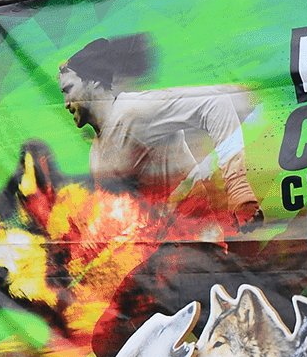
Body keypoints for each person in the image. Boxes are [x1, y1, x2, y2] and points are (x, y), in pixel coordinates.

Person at [57, 33, 261, 230]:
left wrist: (238, 188)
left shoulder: (134, 111)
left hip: (198, 240)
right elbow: (113, 213)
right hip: (159, 246)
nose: (65, 104)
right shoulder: (95, 153)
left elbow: (217, 103)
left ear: (94, 81)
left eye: (68, 89)